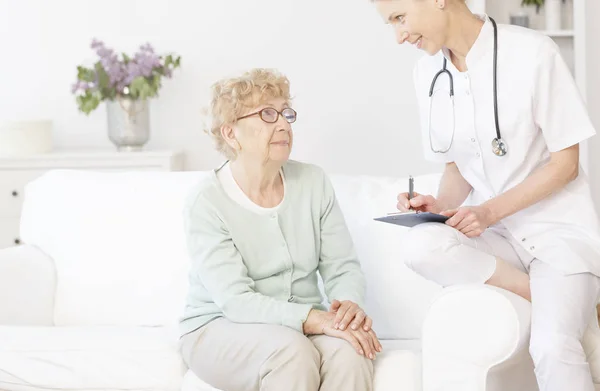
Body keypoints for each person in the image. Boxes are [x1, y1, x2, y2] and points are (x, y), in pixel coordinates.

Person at [371, 0, 600, 390]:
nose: (399, 36)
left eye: (400, 18)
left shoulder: (532, 53)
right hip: (496, 239)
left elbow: (566, 165)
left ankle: (566, 309)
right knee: (421, 245)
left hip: (558, 235)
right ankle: (557, 304)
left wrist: (488, 211)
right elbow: (456, 166)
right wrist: (440, 205)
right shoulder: (427, 71)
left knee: (550, 346)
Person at [178, 68, 380, 391]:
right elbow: (236, 300)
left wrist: (347, 309)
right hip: (218, 327)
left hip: (299, 327)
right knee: (291, 352)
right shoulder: (206, 202)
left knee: (352, 351)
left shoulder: (314, 183)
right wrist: (315, 319)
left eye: (286, 113)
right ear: (231, 133)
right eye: (268, 114)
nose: (284, 124)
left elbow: (342, 268)